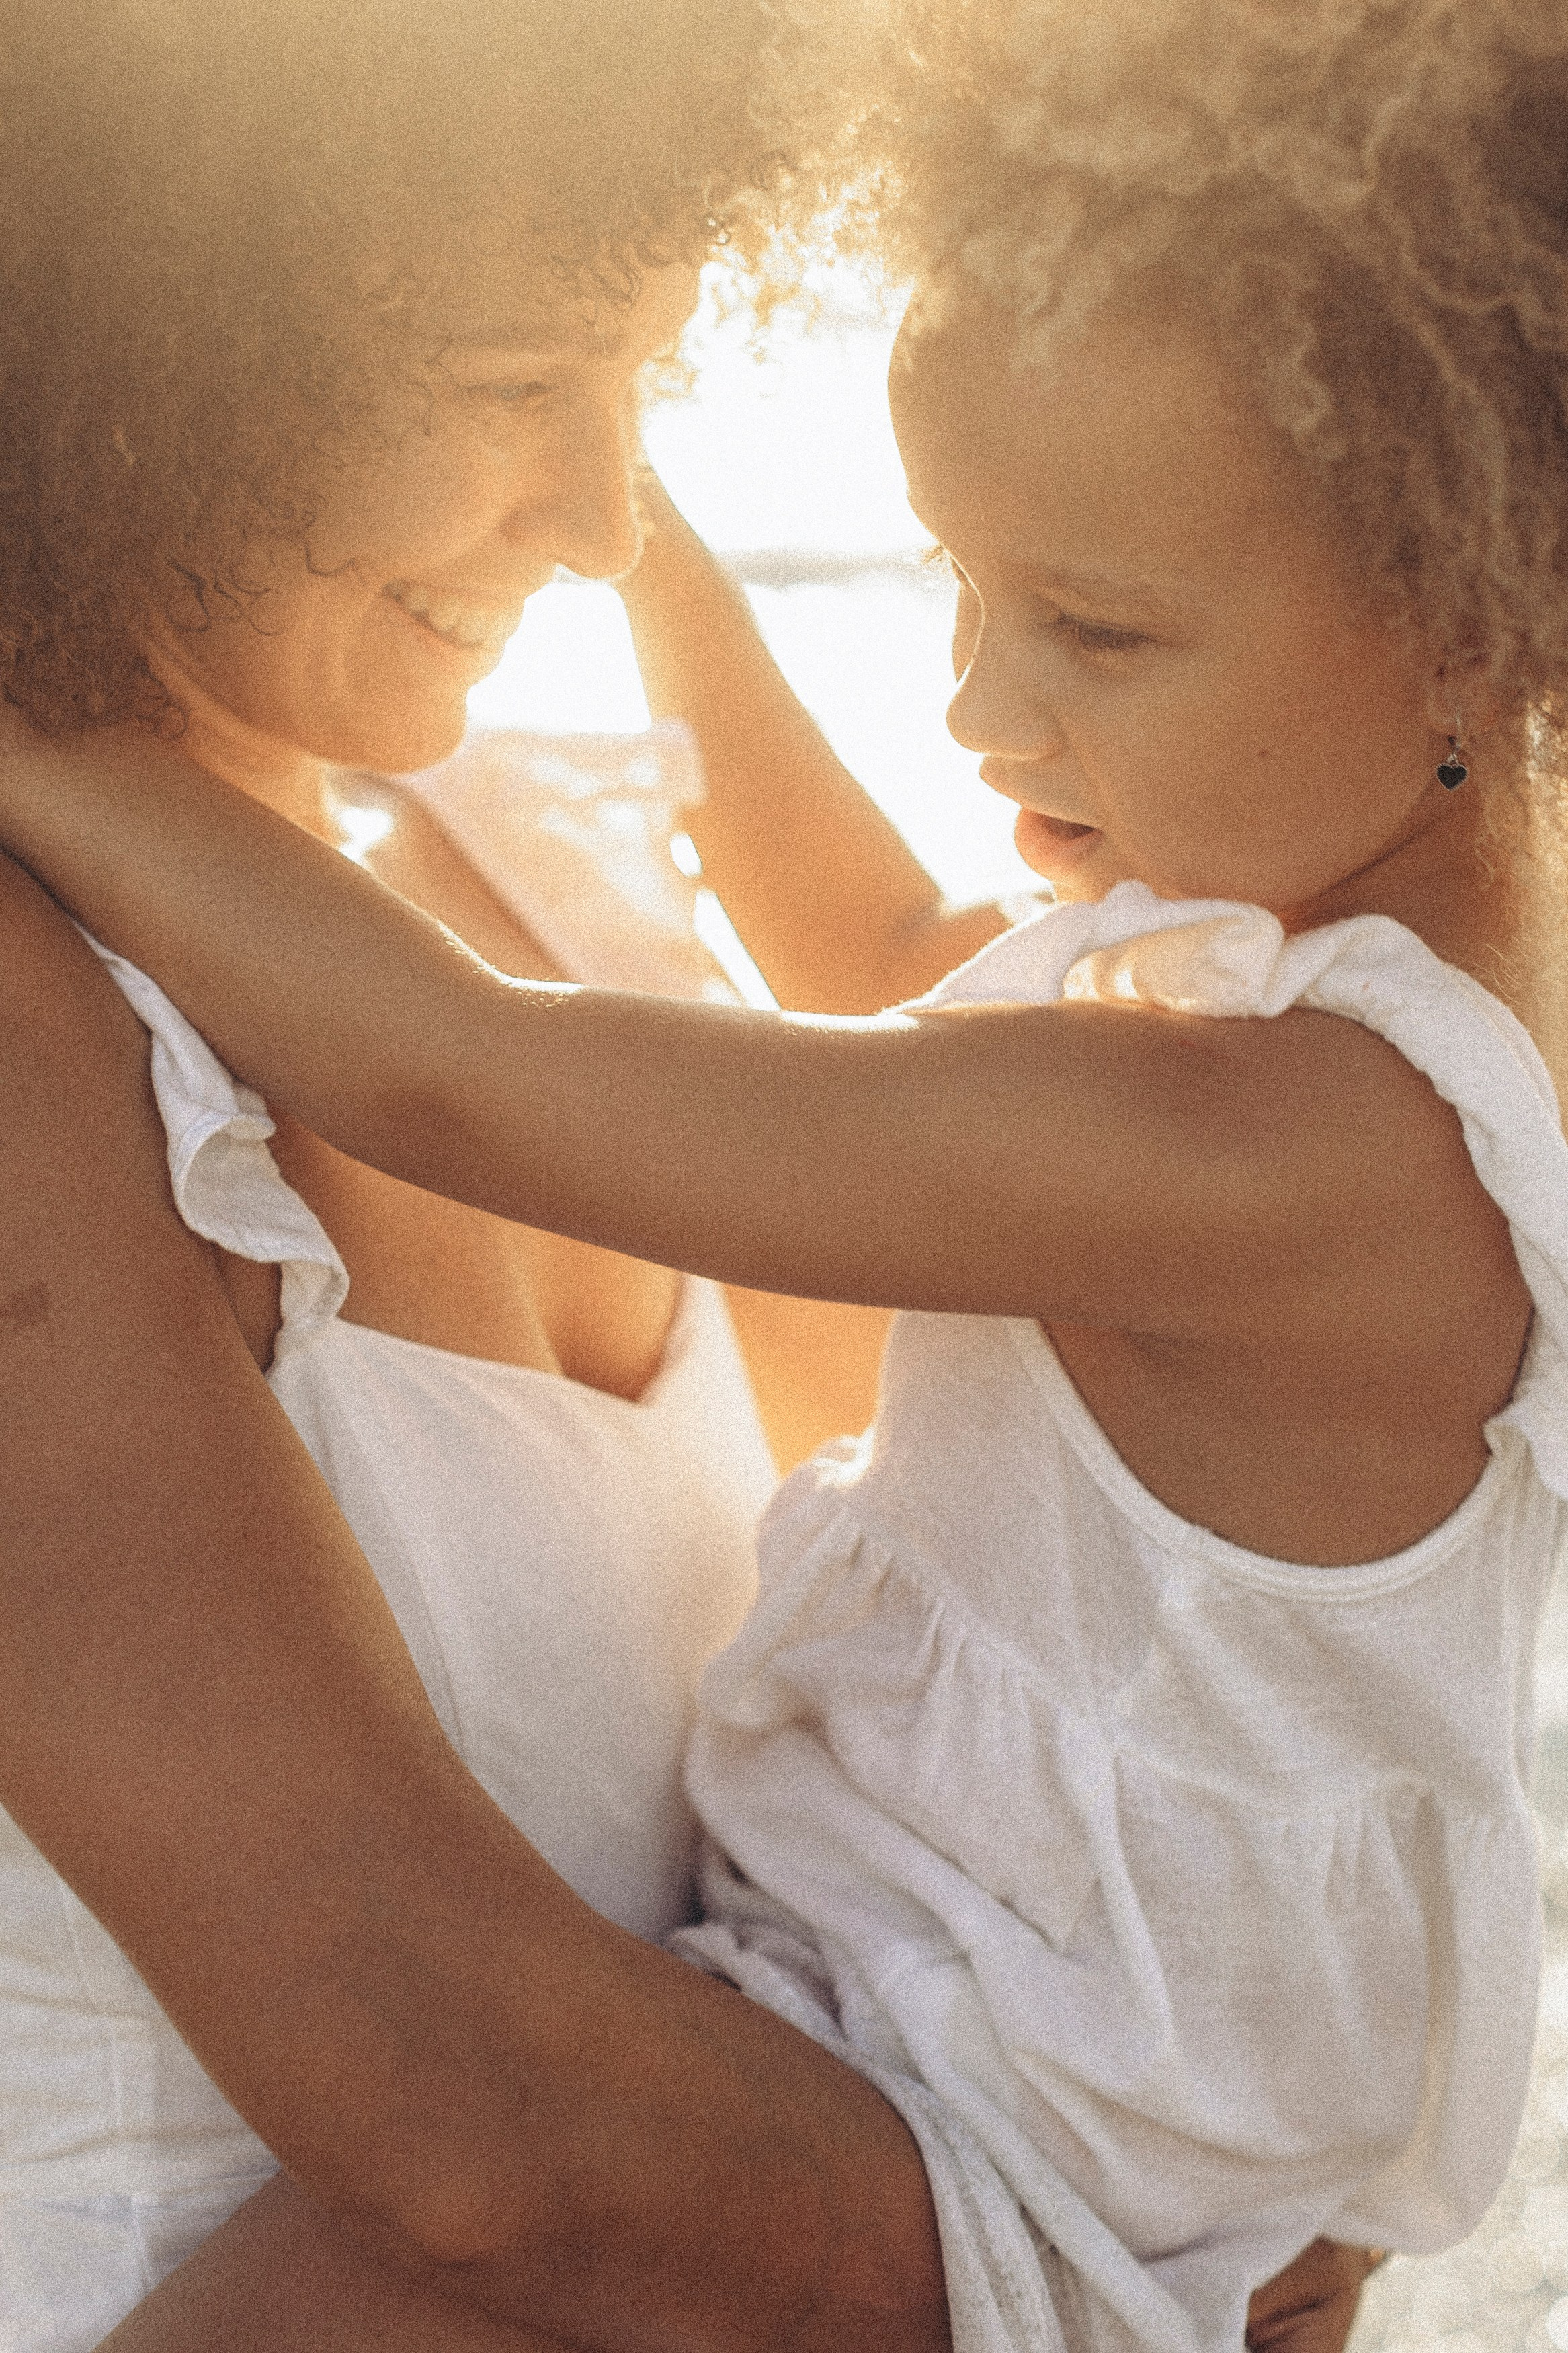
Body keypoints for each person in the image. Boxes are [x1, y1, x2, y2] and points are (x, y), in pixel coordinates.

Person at [11, 2, 1566, 2350]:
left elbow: (465, 1070)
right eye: (527, 374)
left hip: (975, 2099)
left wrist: (54, 743)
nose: (975, 707)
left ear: (1475, 587)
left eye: (1092, 624)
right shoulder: (1260, 1032)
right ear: (154, 335)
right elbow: (888, 964)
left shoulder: (1271, 1126)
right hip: (918, 2091)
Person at [0, 1, 997, 2347]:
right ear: (130, 323)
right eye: (510, 374)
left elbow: (925, 1645)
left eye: (639, 373)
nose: (604, 512)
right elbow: (458, 2116)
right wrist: (1131, 2244)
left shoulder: (547, 874)